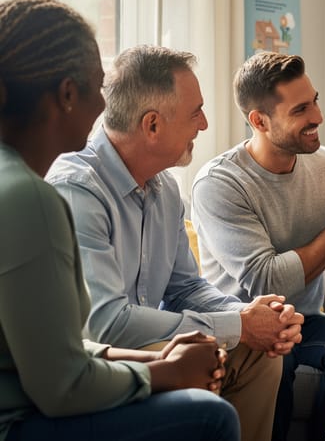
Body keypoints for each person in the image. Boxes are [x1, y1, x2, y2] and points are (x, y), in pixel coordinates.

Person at [0, 0, 238, 441]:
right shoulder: (34, 198)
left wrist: (161, 360)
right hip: (15, 425)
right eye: (98, 87)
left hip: (39, 397)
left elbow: (60, 353)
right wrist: (166, 373)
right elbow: (63, 387)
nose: (106, 107)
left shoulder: (17, 183)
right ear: (67, 95)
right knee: (209, 416)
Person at [45, 44, 304, 441]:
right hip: (98, 360)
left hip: (148, 343)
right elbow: (106, 324)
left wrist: (251, 314)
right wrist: (238, 325)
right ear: (152, 125)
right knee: (226, 346)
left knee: (260, 354)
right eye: (195, 112)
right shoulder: (78, 190)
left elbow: (185, 287)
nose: (204, 124)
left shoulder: (165, 188)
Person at [191, 52, 325, 441]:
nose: (318, 116)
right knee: (274, 358)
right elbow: (268, 280)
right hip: (243, 326)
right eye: (301, 109)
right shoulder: (219, 183)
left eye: (314, 101)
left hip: (305, 321)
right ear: (259, 121)